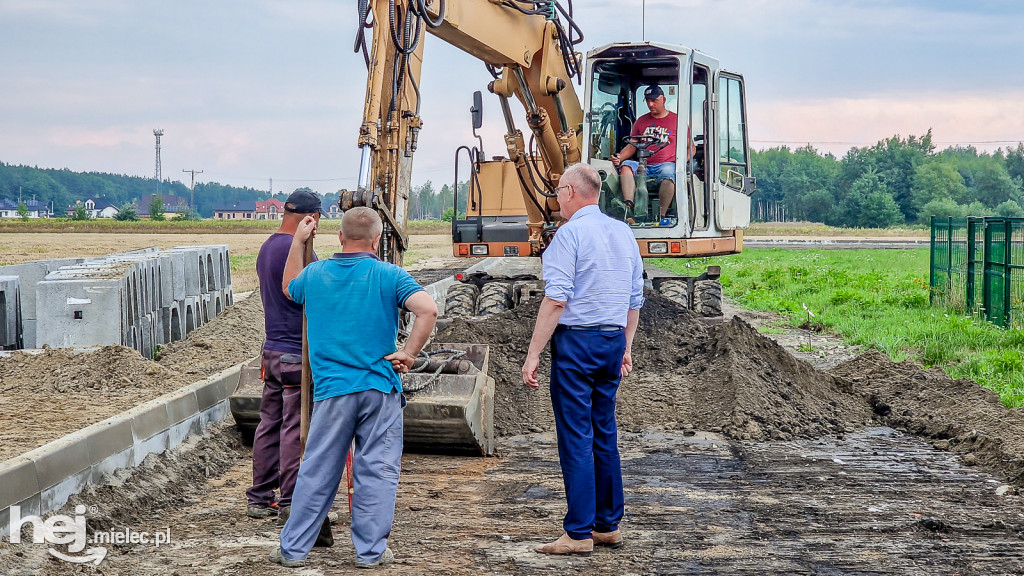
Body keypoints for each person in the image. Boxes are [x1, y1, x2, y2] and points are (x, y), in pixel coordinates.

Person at [269, 207, 438, 569]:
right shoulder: (389, 274)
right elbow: (428, 310)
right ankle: (370, 553)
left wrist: (298, 241)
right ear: (377, 240)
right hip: (379, 388)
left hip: (332, 393)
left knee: (317, 469)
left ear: (340, 238)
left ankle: (294, 550)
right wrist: (408, 353)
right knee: (376, 470)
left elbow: (288, 287)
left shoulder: (314, 275)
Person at [521, 162, 645, 556]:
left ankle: (577, 533)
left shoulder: (568, 236)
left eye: (559, 190)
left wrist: (533, 353)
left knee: (576, 436)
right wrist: (625, 346)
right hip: (611, 340)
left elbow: (557, 298)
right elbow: (634, 298)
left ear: (572, 192)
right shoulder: (623, 233)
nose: (556, 197)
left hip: (577, 344)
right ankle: (607, 525)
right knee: (604, 432)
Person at [246, 189, 325, 522]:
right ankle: (291, 499)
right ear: (311, 218)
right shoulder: (298, 252)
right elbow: (317, 296)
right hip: (296, 352)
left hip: (272, 351)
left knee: (269, 423)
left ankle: (259, 497)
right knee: (295, 426)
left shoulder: (267, 247)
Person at [610, 84, 693, 226]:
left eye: (654, 100)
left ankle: (660, 215)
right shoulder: (641, 121)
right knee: (626, 166)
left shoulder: (677, 121)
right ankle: (628, 206)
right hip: (645, 165)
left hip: (667, 164)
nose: (650, 104)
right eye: (648, 101)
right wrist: (619, 158)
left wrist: (682, 163)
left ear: (664, 99)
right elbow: (632, 146)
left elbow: (690, 147)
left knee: (668, 172)